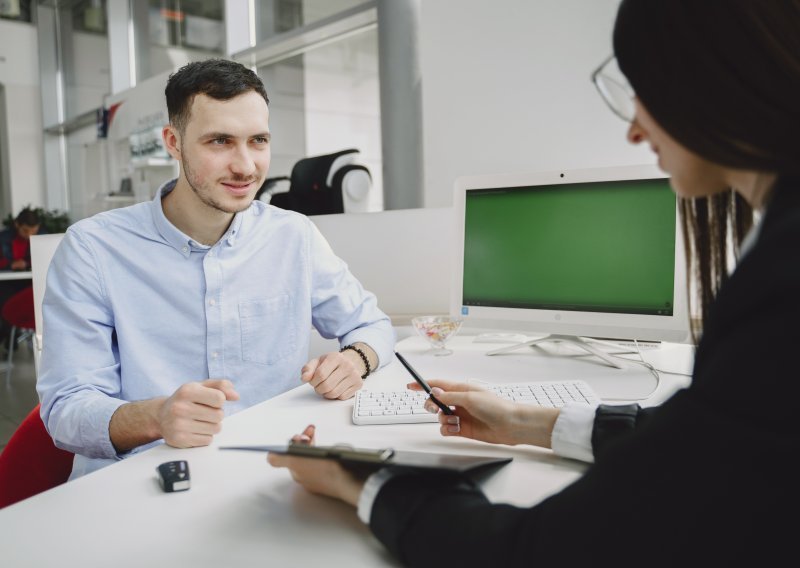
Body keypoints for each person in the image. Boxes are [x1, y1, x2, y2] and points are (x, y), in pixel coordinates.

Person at [267, 1, 800, 565]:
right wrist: (532, 421)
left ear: (715, 78)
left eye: (643, 87)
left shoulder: (780, 285)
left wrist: (364, 482)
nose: (635, 129)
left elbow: (539, 550)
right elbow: (711, 444)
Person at [37, 59, 395, 479]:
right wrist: (158, 416)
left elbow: (372, 325)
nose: (245, 166)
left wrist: (356, 360)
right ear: (173, 142)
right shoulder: (92, 249)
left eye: (258, 140)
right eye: (220, 141)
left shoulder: (293, 236)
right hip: (142, 480)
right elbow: (66, 409)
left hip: (263, 473)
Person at [0, 207, 41, 349]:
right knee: (5, 302)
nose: (30, 235)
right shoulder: (3, 238)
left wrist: (28, 263)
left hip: (30, 282)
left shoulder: (42, 237)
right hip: (8, 282)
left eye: (33, 231)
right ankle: (9, 339)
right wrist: (11, 265)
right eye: (25, 231)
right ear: (17, 225)